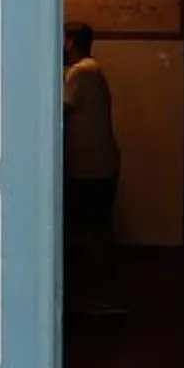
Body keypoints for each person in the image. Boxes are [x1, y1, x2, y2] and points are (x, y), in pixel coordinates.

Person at [63, 21, 122, 316]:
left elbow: (58, 109)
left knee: (88, 231)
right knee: (97, 229)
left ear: (70, 42)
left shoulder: (80, 72)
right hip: (100, 163)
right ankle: (102, 294)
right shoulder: (92, 69)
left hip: (89, 167)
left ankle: (96, 297)